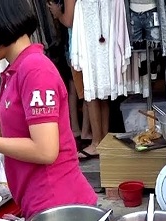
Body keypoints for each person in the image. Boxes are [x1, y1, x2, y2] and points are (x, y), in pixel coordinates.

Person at [0, 0, 98, 219]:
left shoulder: (35, 70)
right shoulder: (15, 71)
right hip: (38, 204)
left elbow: (45, 150)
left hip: (59, 206)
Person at [48, 0, 92, 148]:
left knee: (77, 88)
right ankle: (82, 130)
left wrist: (58, 13)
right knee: (82, 88)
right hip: (76, 43)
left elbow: (68, 21)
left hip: (74, 43)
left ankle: (78, 130)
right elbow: (69, 21)